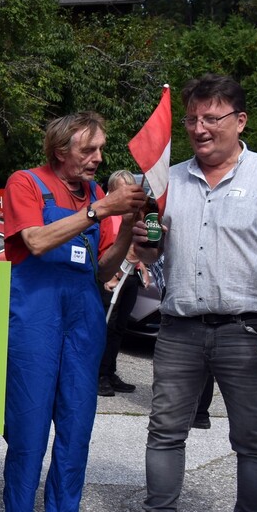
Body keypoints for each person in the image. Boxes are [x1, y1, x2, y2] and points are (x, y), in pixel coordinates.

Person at [110, 75, 257, 512]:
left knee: (253, 441)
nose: (199, 128)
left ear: (240, 122)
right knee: (164, 431)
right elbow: (152, 256)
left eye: (211, 118)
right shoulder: (170, 180)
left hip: (250, 327)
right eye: (193, 119)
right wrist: (148, 245)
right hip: (179, 327)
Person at [0, 111, 146, 512]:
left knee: (77, 425)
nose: (98, 158)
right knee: (28, 425)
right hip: (35, 316)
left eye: (100, 149)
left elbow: (101, 269)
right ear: (61, 150)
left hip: (83, 314)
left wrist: (127, 241)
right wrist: (99, 211)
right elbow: (37, 242)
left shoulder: (97, 194)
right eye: (88, 150)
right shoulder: (26, 183)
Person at [98, 169, 149, 397]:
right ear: (111, 189)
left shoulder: (133, 214)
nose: (125, 193)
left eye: (129, 187)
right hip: (112, 276)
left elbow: (135, 246)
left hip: (131, 276)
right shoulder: (106, 214)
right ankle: (99, 375)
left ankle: (110, 372)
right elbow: (105, 248)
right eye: (121, 188)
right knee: (106, 328)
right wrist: (113, 274)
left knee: (120, 328)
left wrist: (143, 268)